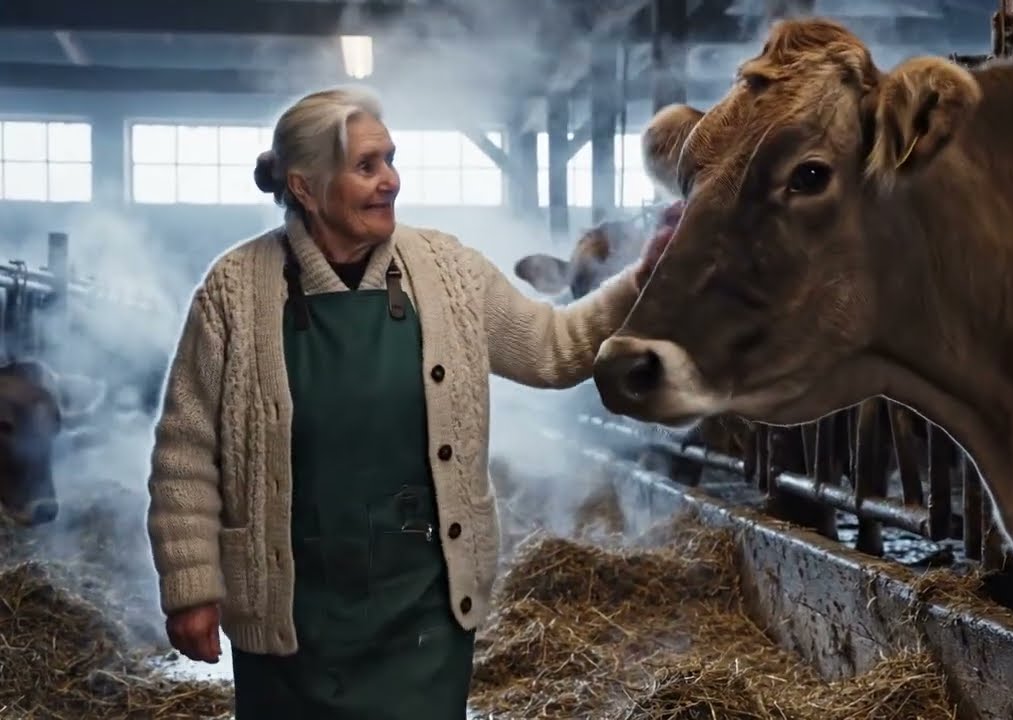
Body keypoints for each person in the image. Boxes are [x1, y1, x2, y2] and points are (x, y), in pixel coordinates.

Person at [144, 85, 664, 719]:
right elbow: (186, 452)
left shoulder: (447, 271)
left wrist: (642, 279)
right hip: (288, 614)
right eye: (366, 166)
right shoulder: (234, 291)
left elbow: (551, 349)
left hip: (421, 610)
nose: (390, 180)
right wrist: (190, 588)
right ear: (306, 188)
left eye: (390, 160)